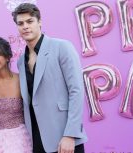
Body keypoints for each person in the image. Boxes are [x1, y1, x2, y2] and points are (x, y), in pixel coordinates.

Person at [12, 3, 88, 153]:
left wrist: (70, 134)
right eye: (20, 23)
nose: (25, 26)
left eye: (30, 21)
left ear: (39, 22)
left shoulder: (62, 47)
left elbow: (77, 91)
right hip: (37, 139)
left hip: (64, 139)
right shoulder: (21, 61)